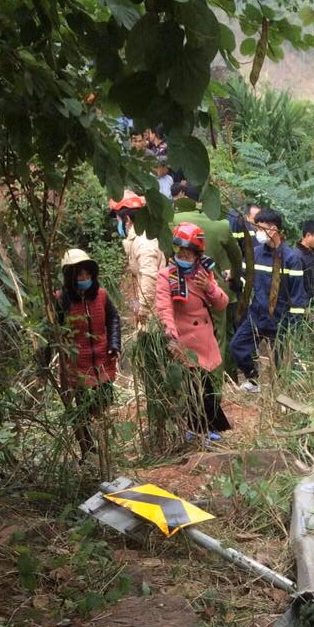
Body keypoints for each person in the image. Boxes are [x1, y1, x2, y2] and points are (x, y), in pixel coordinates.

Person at [154, 221, 230, 437]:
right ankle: (200, 428)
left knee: (204, 385)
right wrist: (170, 333)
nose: (183, 256)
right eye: (180, 251)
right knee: (193, 386)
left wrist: (209, 288)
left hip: (204, 338)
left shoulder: (204, 273)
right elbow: (164, 307)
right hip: (184, 340)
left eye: (188, 253)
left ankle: (207, 428)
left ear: (197, 255)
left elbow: (221, 304)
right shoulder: (166, 275)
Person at [229, 208, 308, 391]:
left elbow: (297, 298)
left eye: (260, 228)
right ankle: (253, 380)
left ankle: (285, 392)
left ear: (273, 229)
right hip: (257, 315)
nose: (257, 233)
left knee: (283, 361)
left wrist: (293, 327)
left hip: (280, 320)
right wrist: (233, 278)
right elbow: (245, 281)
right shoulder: (255, 254)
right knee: (237, 346)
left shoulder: (291, 259)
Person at [54, 248, 121, 459]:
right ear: (70, 278)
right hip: (77, 366)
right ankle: (88, 449)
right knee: (81, 408)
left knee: (103, 400)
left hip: (102, 361)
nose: (84, 279)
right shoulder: (62, 300)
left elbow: (113, 318)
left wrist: (115, 344)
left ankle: (99, 439)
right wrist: (43, 365)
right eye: (79, 275)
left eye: (87, 274)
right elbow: (51, 332)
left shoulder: (101, 295)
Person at [171, 182, 242, 366]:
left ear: (184, 197)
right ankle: (216, 378)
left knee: (184, 335)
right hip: (213, 288)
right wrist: (234, 278)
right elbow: (237, 259)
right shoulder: (222, 224)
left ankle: (190, 375)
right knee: (218, 338)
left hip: (179, 286)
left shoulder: (173, 219)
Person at [108, 192, 166, 326]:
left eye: (118, 220)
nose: (118, 224)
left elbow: (149, 277)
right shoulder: (139, 239)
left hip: (155, 312)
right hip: (154, 307)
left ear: (127, 220)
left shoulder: (143, 242)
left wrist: (143, 310)